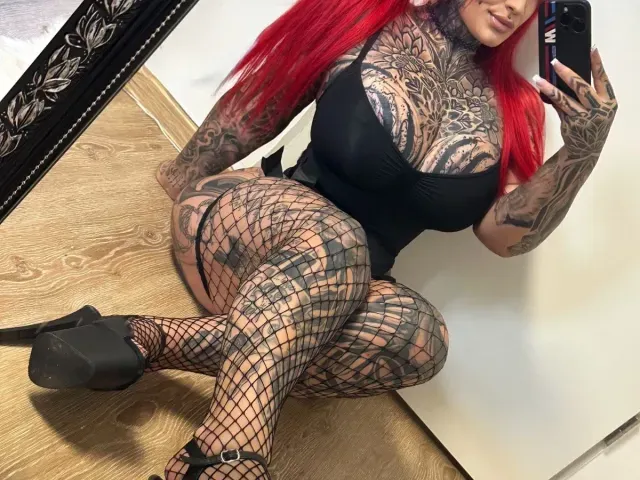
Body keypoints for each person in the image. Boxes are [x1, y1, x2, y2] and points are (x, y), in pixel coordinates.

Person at [5, 0, 617, 479]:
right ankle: (225, 456)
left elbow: (504, 239)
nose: (515, 7)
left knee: (425, 341)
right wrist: (178, 184)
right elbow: (260, 105)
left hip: (327, 296)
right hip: (252, 224)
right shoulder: (363, 18)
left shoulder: (515, 108)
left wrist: (581, 153)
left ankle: (146, 336)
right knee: (339, 239)